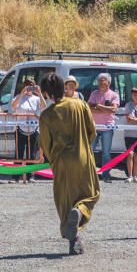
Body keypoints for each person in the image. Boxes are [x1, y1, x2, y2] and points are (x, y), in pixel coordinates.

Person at [38, 73, 100, 256]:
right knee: (91, 194)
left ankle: (73, 241)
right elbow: (92, 132)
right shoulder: (80, 105)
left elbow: (46, 144)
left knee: (64, 202)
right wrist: (83, 147)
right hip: (82, 158)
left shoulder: (46, 116)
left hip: (61, 162)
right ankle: (80, 212)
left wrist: (53, 160)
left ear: (47, 94)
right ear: (63, 87)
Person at [10, 77, 47, 184]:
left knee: (31, 154)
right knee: (18, 154)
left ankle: (31, 175)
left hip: (33, 129)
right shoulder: (18, 97)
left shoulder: (36, 99)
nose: (30, 87)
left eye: (32, 85)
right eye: (28, 85)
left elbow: (44, 106)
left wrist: (39, 94)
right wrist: (22, 93)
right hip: (20, 128)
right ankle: (15, 176)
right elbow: (13, 106)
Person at [87, 73, 119, 183]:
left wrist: (99, 106)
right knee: (89, 150)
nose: (100, 82)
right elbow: (89, 108)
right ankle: (90, 174)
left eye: (103, 80)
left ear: (108, 82)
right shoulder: (94, 93)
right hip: (94, 126)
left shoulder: (114, 95)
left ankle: (106, 174)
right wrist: (105, 109)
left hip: (108, 127)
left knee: (106, 152)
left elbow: (113, 110)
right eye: (99, 80)